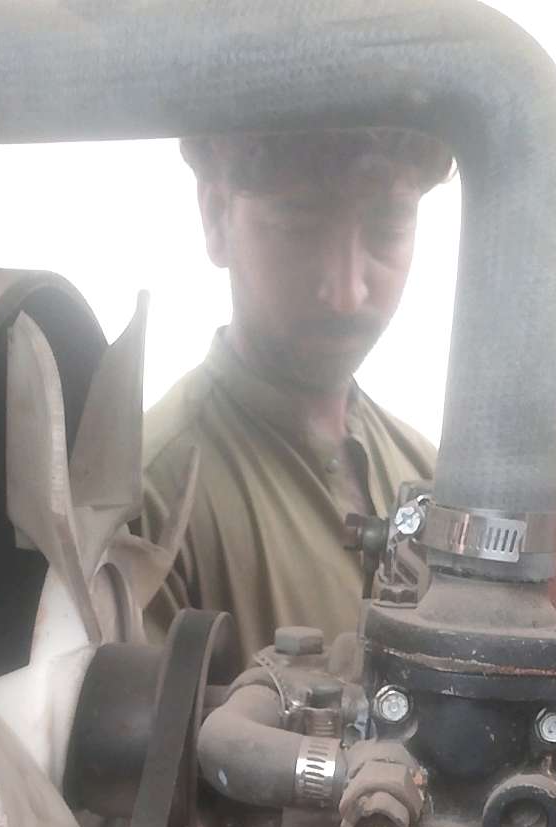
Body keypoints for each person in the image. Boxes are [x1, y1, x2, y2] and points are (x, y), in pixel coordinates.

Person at [142, 127, 452, 661]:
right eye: (300, 226)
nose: (347, 291)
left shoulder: (434, 476)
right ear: (216, 216)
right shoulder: (149, 500)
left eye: (387, 228)